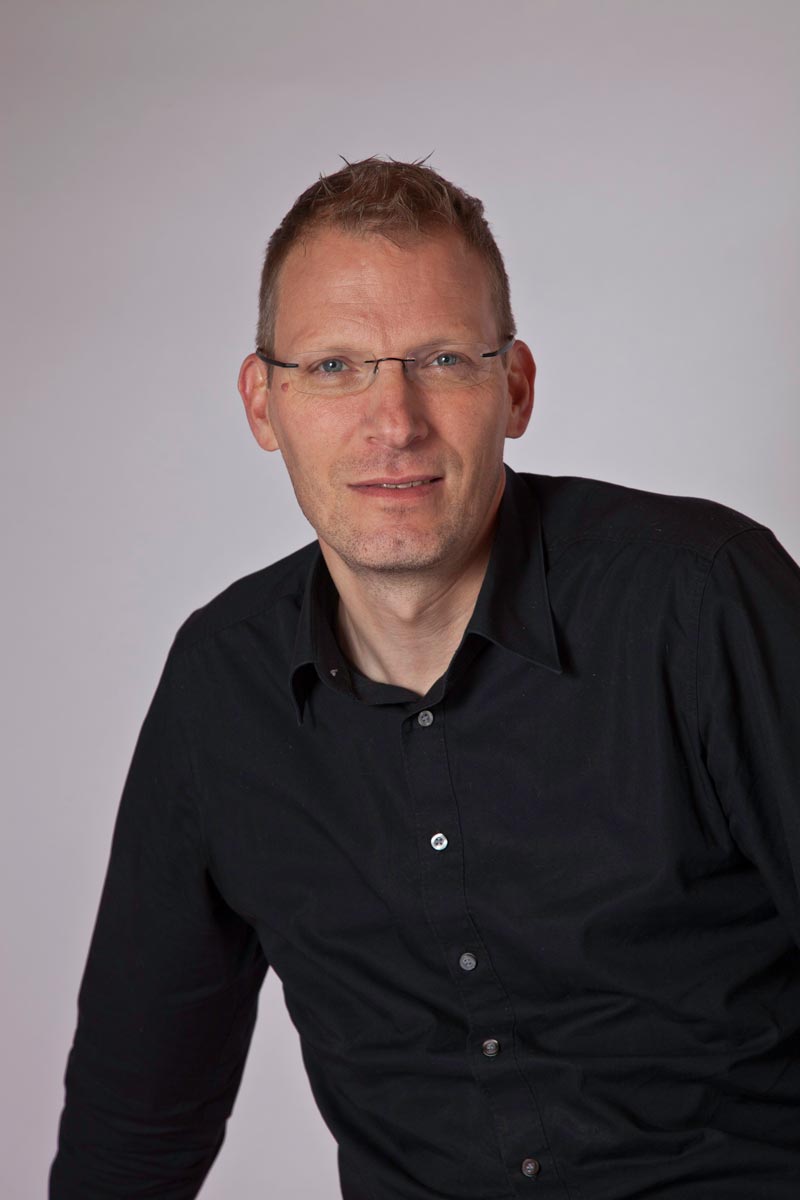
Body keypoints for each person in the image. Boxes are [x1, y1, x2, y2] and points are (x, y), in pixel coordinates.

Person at [50, 156, 800, 1200]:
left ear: (515, 388)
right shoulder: (221, 687)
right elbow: (135, 1124)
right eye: (333, 367)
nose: (393, 421)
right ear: (263, 404)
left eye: (442, 359)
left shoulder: (700, 602)